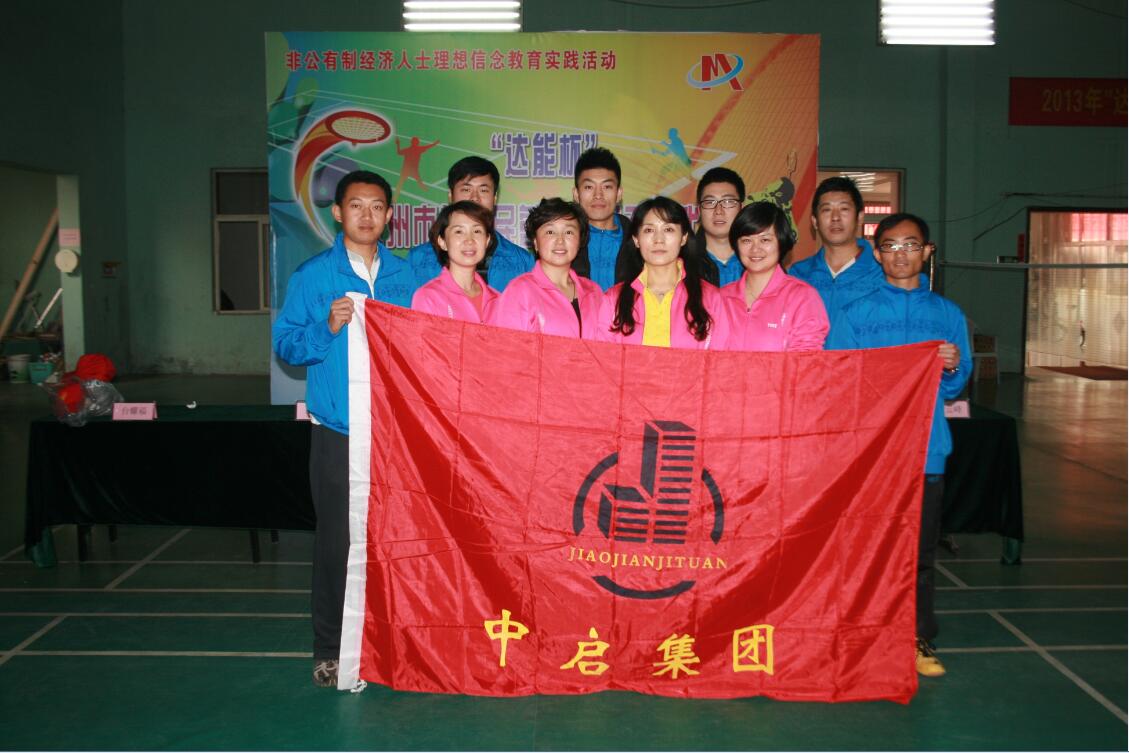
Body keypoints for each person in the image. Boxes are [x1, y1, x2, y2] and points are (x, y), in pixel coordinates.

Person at [272, 170, 416, 688]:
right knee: (337, 543)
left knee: (396, 541)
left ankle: (391, 641)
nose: (367, 215)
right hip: (339, 432)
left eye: (377, 206)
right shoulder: (314, 276)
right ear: (338, 213)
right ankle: (329, 648)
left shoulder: (406, 277)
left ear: (389, 215)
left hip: (397, 436)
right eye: (356, 205)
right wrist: (327, 327)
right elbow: (287, 346)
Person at [826, 212, 971, 679]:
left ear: (926, 252)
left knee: (920, 554)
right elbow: (838, 380)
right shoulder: (856, 314)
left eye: (911, 245)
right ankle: (856, 635)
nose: (900, 254)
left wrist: (951, 366)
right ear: (877, 253)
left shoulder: (948, 316)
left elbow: (954, 388)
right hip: (871, 457)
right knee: (862, 550)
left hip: (926, 453)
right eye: (890, 246)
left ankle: (916, 637)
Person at [595, 196, 729, 349]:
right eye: (649, 230)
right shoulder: (613, 300)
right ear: (636, 239)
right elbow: (604, 359)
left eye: (668, 229)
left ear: (683, 238)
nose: (659, 239)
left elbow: (721, 359)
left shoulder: (710, 298)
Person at [407, 156, 533, 291]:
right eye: (466, 190)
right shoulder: (418, 259)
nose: (474, 198)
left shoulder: (522, 261)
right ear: (450, 195)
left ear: (495, 198)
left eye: (483, 190)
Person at [721, 202, 828, 352]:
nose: (755, 249)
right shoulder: (721, 298)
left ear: (781, 242)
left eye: (765, 240)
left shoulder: (802, 297)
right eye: (746, 240)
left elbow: (805, 360)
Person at [488, 198, 602, 338]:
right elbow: (506, 346)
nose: (560, 240)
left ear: (579, 241)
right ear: (536, 242)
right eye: (550, 232)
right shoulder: (520, 291)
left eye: (568, 232)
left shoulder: (594, 292)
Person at [787, 176, 885, 324]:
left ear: (859, 217)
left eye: (844, 209)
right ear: (815, 221)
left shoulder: (882, 273)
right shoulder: (799, 274)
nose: (835, 218)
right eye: (826, 210)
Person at [411, 200, 498, 322]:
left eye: (477, 231)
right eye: (459, 231)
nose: (469, 240)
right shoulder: (428, 297)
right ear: (442, 242)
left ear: (487, 241)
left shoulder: (498, 300)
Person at [572, 147, 632, 291]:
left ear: (619, 193)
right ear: (576, 194)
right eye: (589, 187)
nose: (598, 195)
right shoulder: (564, 241)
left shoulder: (639, 241)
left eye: (607, 187)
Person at [693, 167, 746, 287]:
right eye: (710, 202)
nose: (718, 211)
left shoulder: (760, 258)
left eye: (727, 202)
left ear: (741, 208)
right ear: (699, 210)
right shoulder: (683, 264)